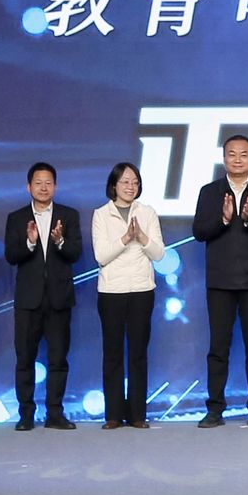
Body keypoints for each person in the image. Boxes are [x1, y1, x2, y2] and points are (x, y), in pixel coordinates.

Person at [191, 134, 248, 428]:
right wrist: (224, 219)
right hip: (220, 282)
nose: (238, 159)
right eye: (232, 154)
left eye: (244, 154)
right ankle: (215, 409)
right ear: (224, 158)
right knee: (218, 348)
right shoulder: (210, 192)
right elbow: (199, 232)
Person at [3, 163, 82, 431]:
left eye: (48, 183)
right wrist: (30, 243)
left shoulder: (68, 216)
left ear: (55, 187)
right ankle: (26, 414)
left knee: (58, 359)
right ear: (29, 187)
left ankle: (55, 413)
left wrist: (60, 241)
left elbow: (75, 254)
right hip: (28, 300)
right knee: (25, 359)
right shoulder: (17, 218)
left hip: (59, 298)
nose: (44, 187)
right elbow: (11, 256)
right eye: (38, 183)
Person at [94, 161, 166, 430]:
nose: (130, 186)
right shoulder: (101, 215)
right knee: (112, 353)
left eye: (135, 182)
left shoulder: (147, 212)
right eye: (125, 181)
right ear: (114, 185)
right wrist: (125, 238)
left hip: (141, 291)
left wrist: (142, 237)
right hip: (111, 291)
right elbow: (101, 256)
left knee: (138, 353)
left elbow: (159, 254)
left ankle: (137, 414)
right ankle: (113, 414)